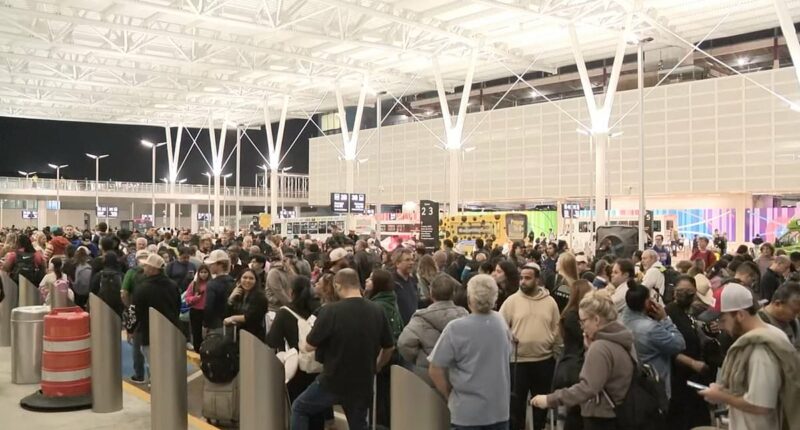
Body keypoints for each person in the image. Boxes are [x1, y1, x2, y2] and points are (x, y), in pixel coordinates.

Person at [290, 269, 394, 430]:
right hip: (363, 380)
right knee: (358, 424)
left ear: (337, 285)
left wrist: (303, 343)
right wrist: (377, 365)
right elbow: (389, 346)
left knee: (299, 408)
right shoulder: (377, 310)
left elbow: (310, 345)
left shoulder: (331, 311)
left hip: (333, 379)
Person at [698, 283, 800, 430]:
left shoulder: (759, 349)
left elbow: (761, 404)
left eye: (723, 320)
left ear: (740, 314)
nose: (720, 326)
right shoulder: (773, 332)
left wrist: (720, 396)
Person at [531, 292, 635, 430]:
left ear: (596, 320)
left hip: (600, 416)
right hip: (619, 413)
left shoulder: (600, 348)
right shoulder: (622, 339)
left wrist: (550, 400)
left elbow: (587, 388)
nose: (581, 326)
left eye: (584, 321)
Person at [428, 274, 512, 430]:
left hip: (466, 412)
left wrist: (448, 395)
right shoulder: (501, 322)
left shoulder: (456, 328)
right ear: (495, 297)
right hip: (499, 410)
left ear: (469, 298)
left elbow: (435, 368)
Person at [499, 264, 561, 430]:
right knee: (516, 407)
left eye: (527, 278)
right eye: (521, 278)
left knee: (541, 407)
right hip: (518, 362)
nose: (523, 281)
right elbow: (500, 327)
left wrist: (554, 348)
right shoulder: (511, 302)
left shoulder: (550, 302)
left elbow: (557, 328)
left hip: (544, 361)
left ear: (537, 280)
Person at [267, 276, 326, 430]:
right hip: (320, 367)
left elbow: (273, 340)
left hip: (296, 367)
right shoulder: (320, 309)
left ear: (291, 292)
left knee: (298, 408)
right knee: (317, 409)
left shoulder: (285, 312)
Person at [397, 273, 468, 385]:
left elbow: (404, 343)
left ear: (431, 293)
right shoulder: (465, 316)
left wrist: (420, 358)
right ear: (453, 293)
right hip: (458, 374)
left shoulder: (420, 319)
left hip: (427, 377)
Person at [665, 275, 713, 430]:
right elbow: (668, 346)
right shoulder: (669, 312)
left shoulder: (690, 312)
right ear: (674, 292)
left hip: (694, 378)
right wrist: (691, 363)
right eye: (680, 290)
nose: (684, 294)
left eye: (688, 291)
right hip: (679, 378)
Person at [622, 284, 685, 399]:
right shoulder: (651, 329)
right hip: (655, 387)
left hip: (632, 387)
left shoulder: (621, 322)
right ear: (647, 303)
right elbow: (679, 344)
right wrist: (665, 319)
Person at [365, 269, 403, 428]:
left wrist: (377, 364)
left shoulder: (376, 306)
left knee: (378, 403)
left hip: (382, 360)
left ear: (378, 284)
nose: (367, 280)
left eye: (371, 279)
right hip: (393, 359)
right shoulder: (390, 301)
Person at [553, 280, 594, 430]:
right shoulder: (572, 316)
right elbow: (584, 338)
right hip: (573, 367)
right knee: (571, 413)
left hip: (574, 364)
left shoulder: (572, 314)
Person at [132, 253, 181, 366]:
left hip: (149, 333)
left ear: (153, 269)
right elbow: (177, 306)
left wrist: (131, 329)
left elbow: (136, 311)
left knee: (154, 366)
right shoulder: (173, 285)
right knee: (169, 364)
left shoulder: (142, 288)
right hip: (170, 331)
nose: (144, 268)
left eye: (146, 266)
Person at [223, 269, 268, 342]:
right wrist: (231, 298)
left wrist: (233, 318)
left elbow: (251, 317)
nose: (247, 281)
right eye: (245, 277)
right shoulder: (237, 294)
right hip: (236, 335)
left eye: (251, 278)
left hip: (253, 336)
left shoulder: (260, 297)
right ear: (239, 280)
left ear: (256, 281)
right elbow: (225, 314)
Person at [757, 281, 800, 350]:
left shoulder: (793, 323)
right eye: (795, 311)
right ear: (778, 304)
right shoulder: (758, 323)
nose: (797, 315)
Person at [203, 249, 236, 334]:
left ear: (220, 264)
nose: (209, 266)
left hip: (215, 326)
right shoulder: (233, 282)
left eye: (211, 264)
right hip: (231, 324)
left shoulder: (212, 284)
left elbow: (208, 307)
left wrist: (205, 324)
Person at [184, 264, 210, 353]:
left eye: (205, 272)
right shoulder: (194, 284)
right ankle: (197, 350)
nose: (203, 274)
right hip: (196, 310)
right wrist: (195, 298)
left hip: (207, 310)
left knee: (207, 333)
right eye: (201, 272)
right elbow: (187, 298)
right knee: (196, 333)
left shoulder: (211, 284)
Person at [391, 248, 418, 326]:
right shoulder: (392, 282)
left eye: (412, 260)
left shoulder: (413, 281)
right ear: (397, 263)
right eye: (407, 260)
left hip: (413, 326)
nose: (411, 263)